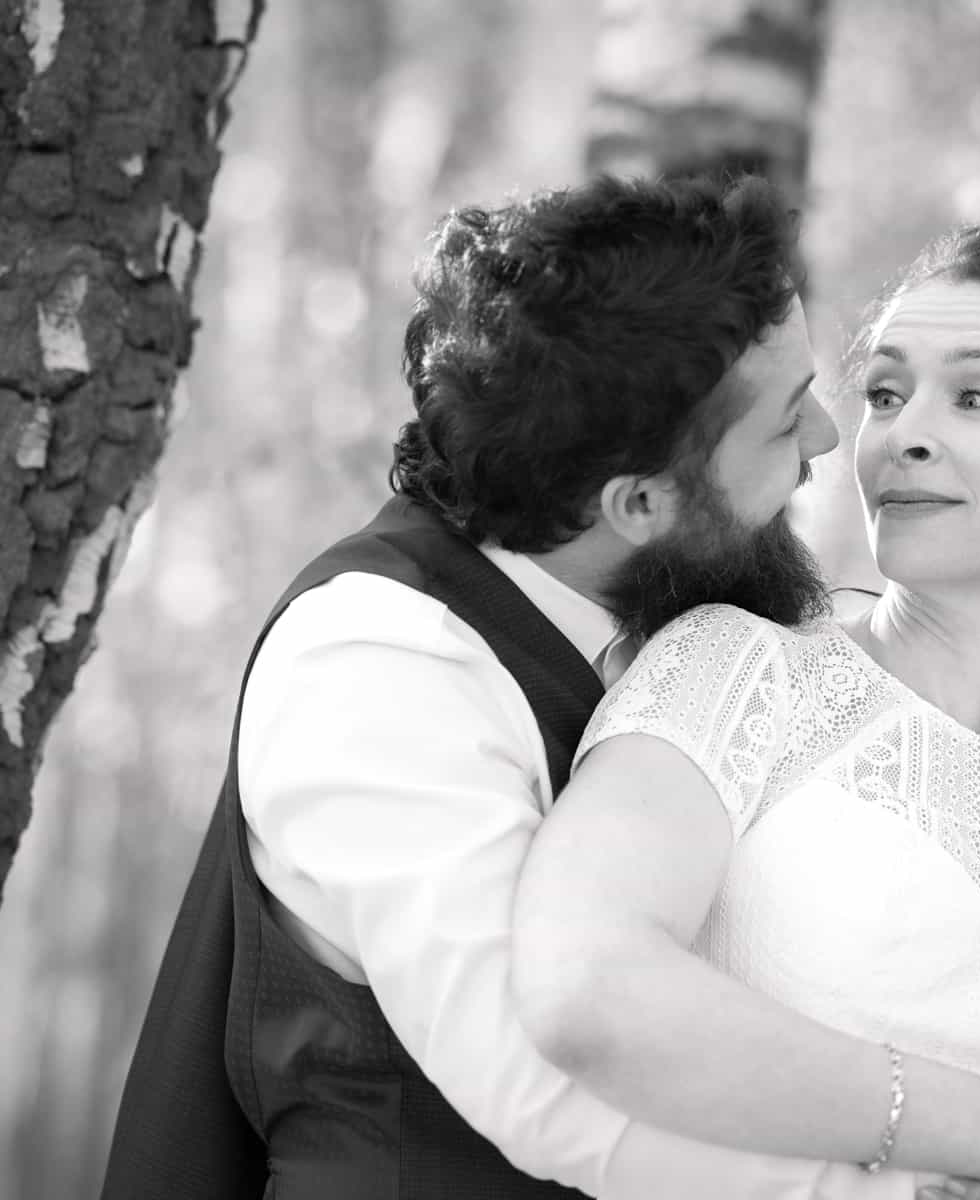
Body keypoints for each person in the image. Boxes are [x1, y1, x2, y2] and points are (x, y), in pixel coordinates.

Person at [100, 172, 851, 1200]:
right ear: (635, 501)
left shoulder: (690, 621)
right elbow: (545, 1084)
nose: (828, 440)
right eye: (785, 420)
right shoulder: (376, 665)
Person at [511, 220, 980, 1199]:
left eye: (975, 397)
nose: (902, 435)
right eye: (885, 394)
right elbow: (583, 989)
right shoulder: (736, 673)